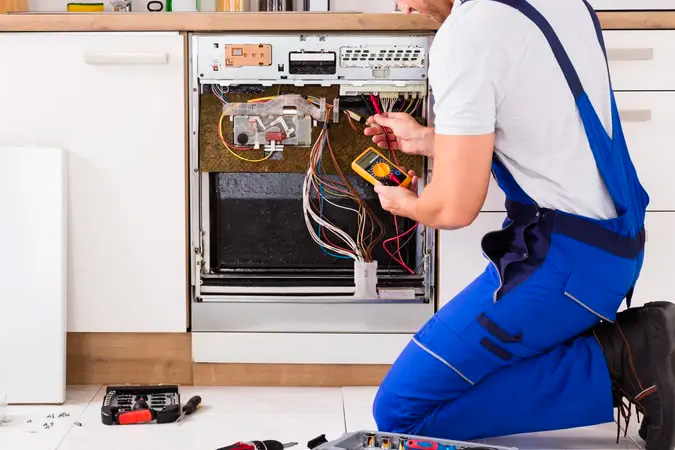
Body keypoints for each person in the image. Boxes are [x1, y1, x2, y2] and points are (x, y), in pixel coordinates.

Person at [363, 0, 675, 448]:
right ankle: (626, 349)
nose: (401, 6)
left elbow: (453, 208)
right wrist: (431, 140)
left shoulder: (467, 34)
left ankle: (624, 356)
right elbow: (543, 127)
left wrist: (405, 203)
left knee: (400, 415)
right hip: (613, 245)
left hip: (562, 267)